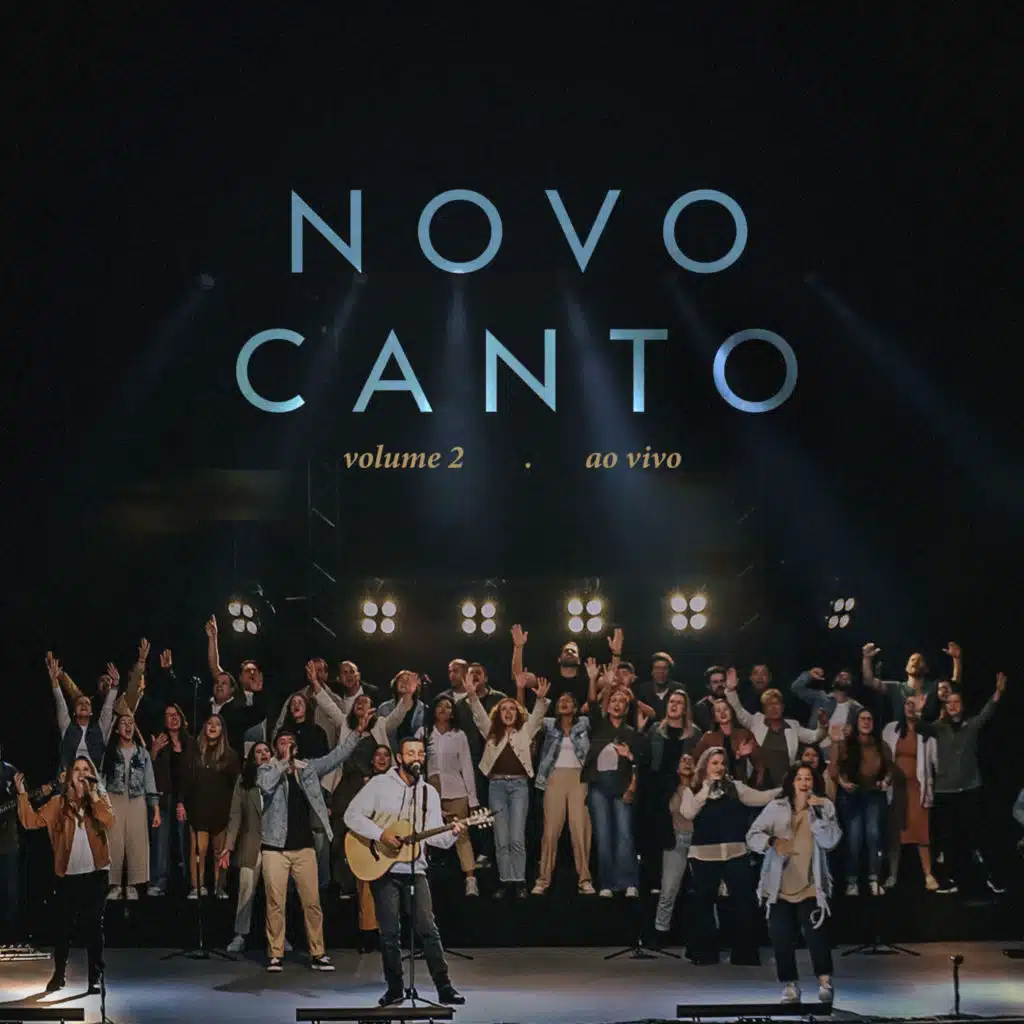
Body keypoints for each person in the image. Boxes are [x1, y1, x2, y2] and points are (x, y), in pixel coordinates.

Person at [344, 736, 466, 1007]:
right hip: (383, 867)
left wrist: (453, 833)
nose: (416, 758)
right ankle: (395, 988)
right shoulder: (379, 785)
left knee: (427, 928)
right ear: (399, 758)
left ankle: (444, 987)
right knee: (389, 933)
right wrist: (380, 835)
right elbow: (351, 815)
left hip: (416, 869)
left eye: (420, 753)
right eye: (410, 753)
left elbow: (435, 837)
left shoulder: (428, 793)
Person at [258, 725, 361, 972]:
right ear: (275, 747)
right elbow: (265, 786)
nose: (287, 745)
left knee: (312, 902)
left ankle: (318, 952)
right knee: (275, 902)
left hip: (304, 847)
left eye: (290, 741)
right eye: (282, 741)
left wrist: (357, 732)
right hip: (275, 847)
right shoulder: (267, 768)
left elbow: (336, 756)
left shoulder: (308, 768)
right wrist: (284, 763)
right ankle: (275, 954)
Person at [16, 756, 114, 993]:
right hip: (68, 875)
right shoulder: (58, 804)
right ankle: (59, 974)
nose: (81, 773)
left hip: (96, 873)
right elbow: (30, 821)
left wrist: (93, 795)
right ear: (69, 775)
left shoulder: (99, 799)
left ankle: (94, 976)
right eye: (77, 769)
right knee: (63, 928)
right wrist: (22, 794)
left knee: (94, 927)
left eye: (85, 769)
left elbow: (109, 821)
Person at [747, 764, 842, 1005]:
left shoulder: (824, 806)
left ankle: (825, 982)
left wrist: (819, 816)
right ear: (791, 782)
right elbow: (752, 836)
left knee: (816, 937)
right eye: (799, 778)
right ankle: (790, 985)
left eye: (808, 778)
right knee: (781, 938)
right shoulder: (776, 807)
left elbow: (831, 841)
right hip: (779, 887)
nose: (804, 782)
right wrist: (772, 842)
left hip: (811, 885)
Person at [680, 747, 780, 965]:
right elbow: (688, 813)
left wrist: (785, 790)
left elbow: (760, 798)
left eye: (722, 763)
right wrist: (706, 788)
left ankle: (744, 953)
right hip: (704, 856)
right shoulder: (693, 789)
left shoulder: (735, 787)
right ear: (705, 765)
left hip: (735, 852)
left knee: (743, 902)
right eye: (714, 763)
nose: (719, 767)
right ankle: (704, 953)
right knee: (703, 904)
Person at [467, 672, 550, 898]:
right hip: (497, 786)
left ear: (517, 713)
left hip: (519, 787)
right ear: (498, 713)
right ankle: (505, 880)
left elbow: (538, 717)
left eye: (512, 709)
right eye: (504, 709)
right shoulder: (491, 732)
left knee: (516, 836)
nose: (508, 712)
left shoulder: (525, 731)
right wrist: (472, 695)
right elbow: (478, 714)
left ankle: (519, 880)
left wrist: (540, 699)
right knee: (501, 837)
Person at [930, 672, 1007, 895]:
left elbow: (986, 713)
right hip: (945, 791)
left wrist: (998, 693)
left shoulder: (970, 725)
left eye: (956, 702)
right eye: (949, 703)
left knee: (977, 837)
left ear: (962, 705)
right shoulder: (938, 727)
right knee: (948, 840)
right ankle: (949, 880)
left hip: (970, 790)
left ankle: (990, 878)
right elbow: (920, 723)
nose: (953, 706)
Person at [583, 666, 643, 898]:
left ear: (627, 708)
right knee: (603, 835)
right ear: (608, 706)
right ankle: (607, 883)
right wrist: (594, 680)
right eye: (614, 701)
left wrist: (632, 785)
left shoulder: (631, 733)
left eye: (622, 702)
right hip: (599, 785)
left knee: (624, 834)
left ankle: (628, 881)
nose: (617, 704)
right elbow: (592, 703)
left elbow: (639, 763)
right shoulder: (600, 726)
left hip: (622, 785)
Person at [532, 690, 593, 895]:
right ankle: (543, 880)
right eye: (561, 700)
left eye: (568, 701)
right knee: (550, 831)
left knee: (580, 829)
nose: (564, 703)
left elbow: (597, 709)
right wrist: (540, 698)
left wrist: (595, 682)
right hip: (554, 778)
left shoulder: (583, 723)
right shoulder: (549, 724)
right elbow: (528, 721)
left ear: (575, 708)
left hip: (579, 779)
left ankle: (584, 879)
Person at [726, 669, 826, 789]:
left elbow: (814, 737)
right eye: (769, 705)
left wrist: (822, 725)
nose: (774, 708)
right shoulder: (756, 721)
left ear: (782, 707)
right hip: (758, 784)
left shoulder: (793, 726)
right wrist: (731, 691)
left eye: (777, 704)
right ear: (764, 708)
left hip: (785, 786)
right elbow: (738, 710)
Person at [423, 695, 480, 896]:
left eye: (448, 707)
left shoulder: (459, 735)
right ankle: (422, 879)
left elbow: (467, 766)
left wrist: (472, 799)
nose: (443, 710)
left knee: (462, 835)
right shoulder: (424, 733)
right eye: (439, 706)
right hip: (431, 791)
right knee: (426, 834)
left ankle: (470, 879)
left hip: (456, 791)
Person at [882, 695, 938, 890]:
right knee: (895, 833)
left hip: (917, 788)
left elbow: (936, 762)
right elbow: (883, 757)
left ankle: (928, 875)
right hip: (896, 789)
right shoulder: (891, 729)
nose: (910, 707)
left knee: (921, 832)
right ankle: (892, 875)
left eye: (915, 704)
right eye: (908, 703)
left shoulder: (927, 732)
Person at [102, 711, 160, 900]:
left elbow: (149, 781)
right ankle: (115, 885)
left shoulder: (142, 752)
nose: (128, 726)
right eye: (124, 723)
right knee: (114, 843)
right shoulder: (110, 752)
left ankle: (133, 885)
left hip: (137, 800)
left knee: (137, 841)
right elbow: (102, 779)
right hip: (114, 798)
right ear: (117, 729)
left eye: (131, 723)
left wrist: (155, 809)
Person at [220, 741, 272, 952]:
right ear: (252, 758)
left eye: (267, 751)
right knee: (245, 889)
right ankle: (240, 934)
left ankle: (278, 936)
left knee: (276, 893)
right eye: (258, 752)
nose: (264, 754)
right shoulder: (244, 781)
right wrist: (228, 846)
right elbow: (235, 816)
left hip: (274, 845)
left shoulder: (279, 779)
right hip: (251, 844)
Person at [182, 714, 240, 899]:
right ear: (204, 727)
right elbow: (185, 781)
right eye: (209, 723)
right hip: (198, 811)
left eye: (217, 724)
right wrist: (182, 803)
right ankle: (197, 887)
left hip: (221, 812)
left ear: (223, 730)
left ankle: (219, 887)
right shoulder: (194, 753)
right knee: (199, 850)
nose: (213, 727)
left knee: (219, 852)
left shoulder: (230, 756)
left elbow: (236, 786)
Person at [836, 709, 893, 896]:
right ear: (856, 722)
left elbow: (889, 769)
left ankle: (874, 878)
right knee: (854, 837)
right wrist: (843, 784)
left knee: (874, 834)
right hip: (852, 794)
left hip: (873, 793)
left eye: (869, 719)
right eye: (862, 719)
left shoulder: (880, 745)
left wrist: (885, 781)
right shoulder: (846, 743)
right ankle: (852, 880)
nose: (866, 722)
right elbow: (836, 769)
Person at [148, 704, 193, 895]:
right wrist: (154, 750)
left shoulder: (190, 743)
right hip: (164, 798)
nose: (173, 718)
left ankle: (188, 883)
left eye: (176, 715)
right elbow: (148, 770)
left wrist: (184, 801)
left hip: (186, 799)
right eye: (168, 715)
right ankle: (158, 882)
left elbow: (193, 772)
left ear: (181, 718)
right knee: (160, 841)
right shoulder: (160, 741)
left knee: (185, 842)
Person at [48, 651, 119, 770]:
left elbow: (108, 708)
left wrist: (115, 684)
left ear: (91, 712)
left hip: (94, 779)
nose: (84, 705)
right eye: (80, 703)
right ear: (74, 711)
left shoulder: (100, 729)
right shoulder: (66, 727)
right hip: (69, 778)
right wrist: (54, 680)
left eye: (87, 703)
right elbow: (60, 701)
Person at [653, 752, 697, 942]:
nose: (687, 763)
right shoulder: (669, 788)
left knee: (705, 890)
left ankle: (711, 933)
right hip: (677, 839)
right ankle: (660, 931)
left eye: (690, 760)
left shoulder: (701, 788)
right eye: (683, 760)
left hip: (698, 842)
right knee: (669, 889)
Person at [861, 641, 962, 723]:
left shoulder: (933, 688)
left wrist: (956, 660)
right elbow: (869, 681)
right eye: (912, 660)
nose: (916, 662)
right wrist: (867, 659)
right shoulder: (897, 688)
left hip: (929, 737)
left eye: (920, 660)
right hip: (902, 737)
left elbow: (953, 687)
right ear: (906, 667)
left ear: (927, 669)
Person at [789, 667, 863, 761]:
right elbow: (795, 688)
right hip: (816, 754)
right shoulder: (821, 698)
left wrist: (853, 734)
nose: (843, 678)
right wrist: (809, 675)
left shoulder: (856, 708)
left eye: (847, 678)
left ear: (852, 684)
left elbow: (862, 736)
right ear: (833, 682)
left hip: (841, 756)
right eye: (840, 676)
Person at [0, 742, 22, 943]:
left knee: (9, 888)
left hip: (8, 839)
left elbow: (23, 800)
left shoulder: (10, 771)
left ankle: (9, 933)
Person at [634, 652, 686, 720]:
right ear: (652, 671)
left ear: (669, 671)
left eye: (665, 668)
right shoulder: (643, 690)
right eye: (657, 668)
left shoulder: (679, 689)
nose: (661, 672)